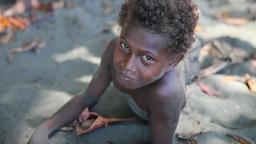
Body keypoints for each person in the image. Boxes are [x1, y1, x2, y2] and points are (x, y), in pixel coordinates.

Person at [27, 0, 198, 143]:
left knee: (195, 48)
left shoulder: (165, 94)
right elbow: (87, 96)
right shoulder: (112, 50)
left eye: (147, 58)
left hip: (189, 62)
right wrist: (44, 129)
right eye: (125, 45)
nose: (127, 66)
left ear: (172, 62)